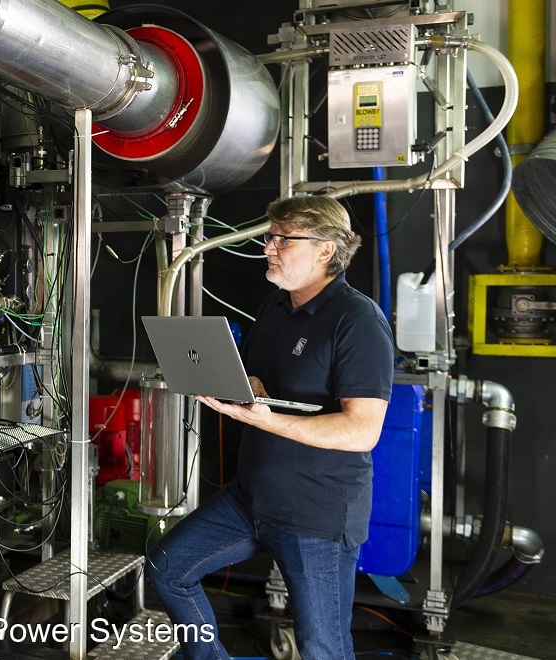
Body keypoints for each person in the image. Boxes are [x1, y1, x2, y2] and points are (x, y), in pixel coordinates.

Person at [148, 196, 394, 659]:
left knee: (322, 649)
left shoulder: (357, 320)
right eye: (270, 237)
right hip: (252, 499)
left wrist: (268, 419)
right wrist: (246, 385)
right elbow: (265, 380)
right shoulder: (276, 305)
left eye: (283, 240)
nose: (268, 248)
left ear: (325, 250)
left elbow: (362, 430)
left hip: (315, 515)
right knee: (168, 568)